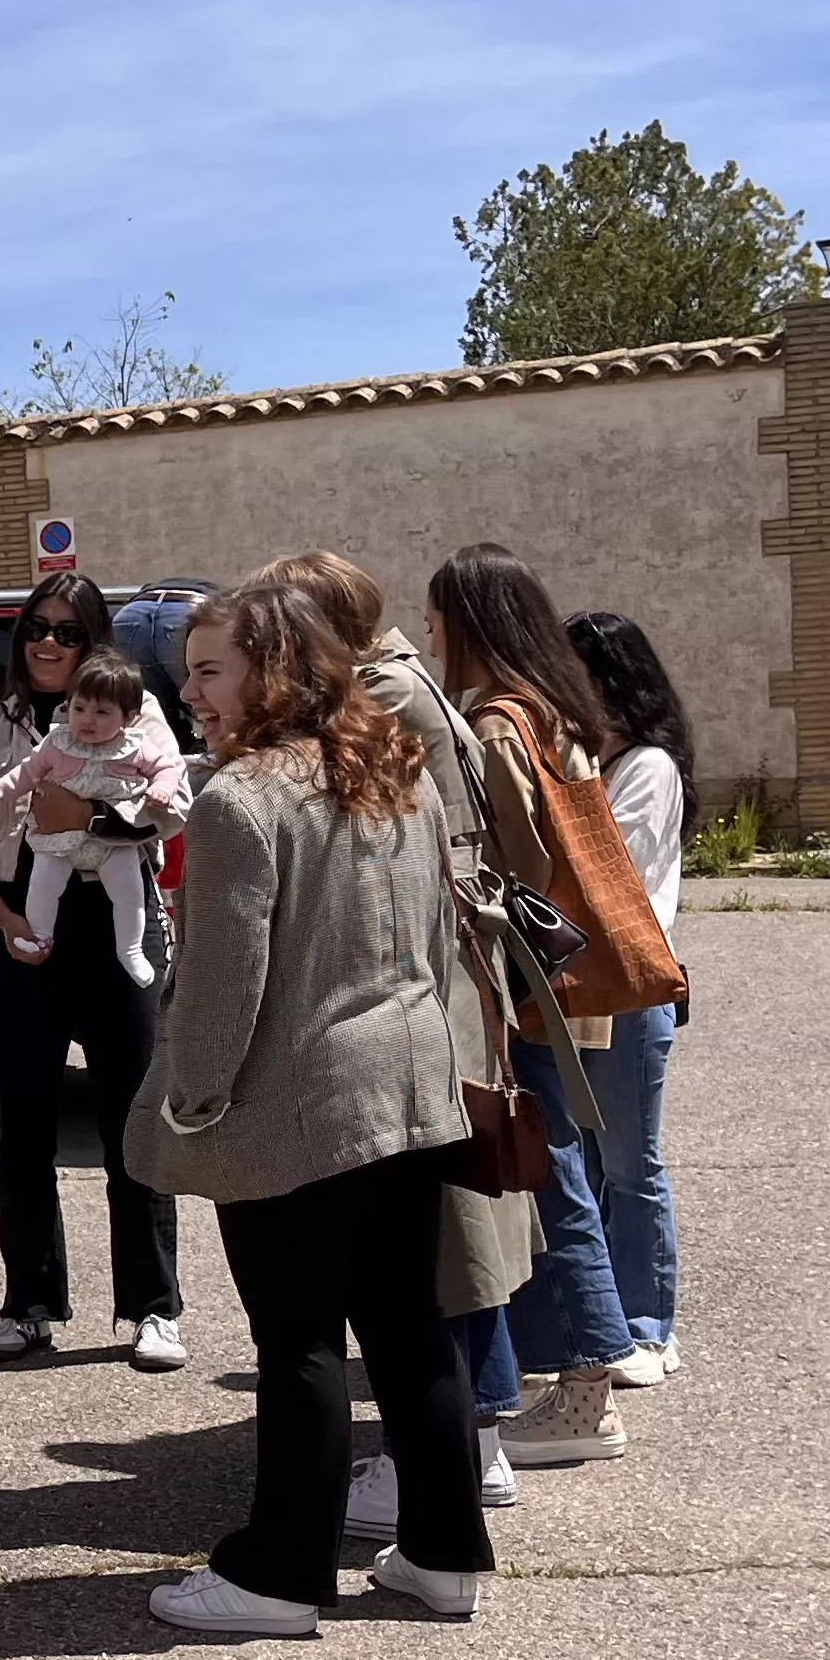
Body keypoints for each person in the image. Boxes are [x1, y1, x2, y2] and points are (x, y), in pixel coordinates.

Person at [127, 579, 490, 1638]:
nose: (187, 690)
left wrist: (191, 1103)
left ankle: (279, 1576)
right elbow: (434, 939)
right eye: (186, 669)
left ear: (272, 671)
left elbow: (220, 987)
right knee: (409, 1328)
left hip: (304, 1101)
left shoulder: (243, 800)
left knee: (298, 1342)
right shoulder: (396, 772)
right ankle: (443, 1552)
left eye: (209, 670)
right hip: (412, 1080)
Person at [250, 552, 535, 1524]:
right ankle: (461, 1445)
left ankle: (474, 1441)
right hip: (434, 977)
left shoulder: (385, 698)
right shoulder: (402, 686)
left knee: (445, 1246)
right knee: (437, 1245)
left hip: (424, 981)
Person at [0, 570, 187, 1371]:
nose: (48, 643)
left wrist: (90, 815)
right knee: (24, 1130)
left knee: (133, 1125)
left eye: (68, 632)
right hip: (26, 923)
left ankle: (153, 1307)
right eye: (36, 629)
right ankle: (29, 1302)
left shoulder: (139, 714)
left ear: (94, 642)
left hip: (116, 922)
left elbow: (171, 809)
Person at [426, 544, 635, 1470]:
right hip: (570, 977)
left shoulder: (502, 723)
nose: (430, 636)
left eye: (438, 620)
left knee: (554, 1175)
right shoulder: (559, 709)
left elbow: (521, 867)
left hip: (531, 982)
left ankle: (589, 1385)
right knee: (565, 1165)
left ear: (472, 624)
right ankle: (580, 1371)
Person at [567, 609, 693, 1388]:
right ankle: (600, 1321)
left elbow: (602, 869)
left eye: (576, 678)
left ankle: (650, 1328)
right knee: (579, 1163)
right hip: (575, 988)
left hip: (629, 988)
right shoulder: (589, 764)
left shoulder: (645, 767)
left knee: (628, 1165)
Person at [0, 648, 183, 984]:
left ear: (127, 718)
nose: (87, 720)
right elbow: (26, 773)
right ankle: (40, 935)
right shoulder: (57, 743)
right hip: (59, 839)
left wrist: (163, 790)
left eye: (101, 712)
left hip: (113, 838)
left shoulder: (134, 745)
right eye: (79, 708)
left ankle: (131, 949)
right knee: (43, 885)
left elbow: (167, 767)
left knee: (128, 892)